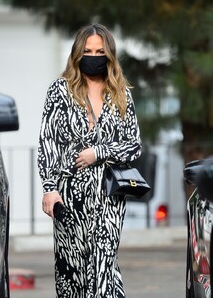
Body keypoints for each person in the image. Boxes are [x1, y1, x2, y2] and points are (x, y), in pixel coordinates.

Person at [38, 23, 141, 298]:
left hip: (109, 197)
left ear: (109, 55)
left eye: (99, 51)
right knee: (71, 274)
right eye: (87, 51)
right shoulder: (59, 91)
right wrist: (49, 189)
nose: (93, 57)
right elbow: (48, 143)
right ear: (76, 54)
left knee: (104, 269)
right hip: (70, 197)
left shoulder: (121, 94)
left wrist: (100, 152)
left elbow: (134, 145)